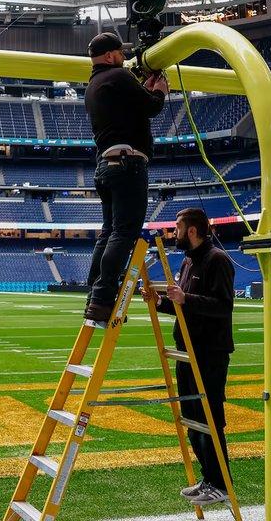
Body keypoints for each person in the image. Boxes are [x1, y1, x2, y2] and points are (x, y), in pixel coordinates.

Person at [141, 208, 234, 507]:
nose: (174, 233)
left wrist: (185, 298)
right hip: (187, 351)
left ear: (192, 230)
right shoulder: (187, 260)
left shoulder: (217, 259)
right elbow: (184, 307)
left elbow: (223, 306)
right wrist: (160, 302)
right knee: (193, 419)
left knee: (210, 418)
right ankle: (208, 478)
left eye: (178, 227)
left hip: (209, 353)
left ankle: (221, 483)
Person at [83, 31, 168, 322]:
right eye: (120, 53)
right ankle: (105, 297)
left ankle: (94, 297)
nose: (123, 57)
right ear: (109, 56)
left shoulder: (94, 84)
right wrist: (159, 92)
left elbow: (129, 106)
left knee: (108, 233)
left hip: (105, 165)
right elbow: (151, 107)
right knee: (123, 233)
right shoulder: (118, 77)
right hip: (127, 163)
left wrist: (141, 88)